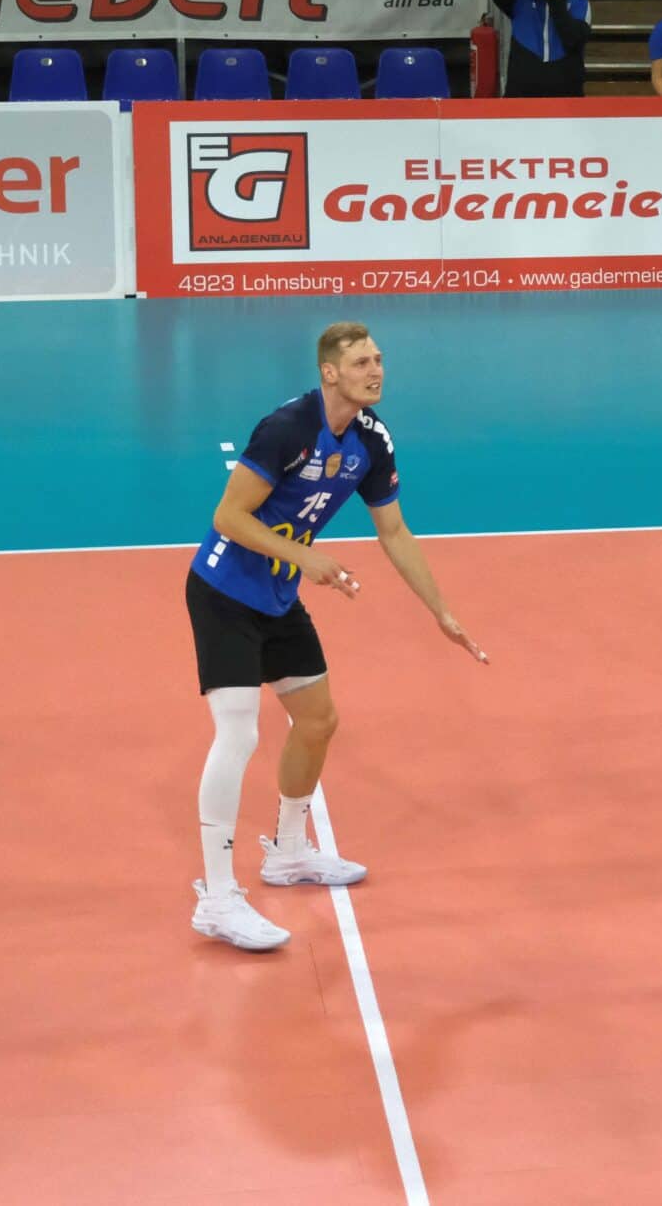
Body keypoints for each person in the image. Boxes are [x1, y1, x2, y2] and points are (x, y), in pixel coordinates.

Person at [185, 322, 488, 953]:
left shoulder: (372, 440)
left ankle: (289, 852)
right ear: (330, 372)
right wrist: (307, 559)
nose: (376, 371)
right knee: (238, 734)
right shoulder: (287, 428)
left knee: (318, 720)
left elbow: (394, 531)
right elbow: (228, 517)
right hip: (224, 591)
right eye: (361, 362)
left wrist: (441, 612)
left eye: (378, 359)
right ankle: (217, 898)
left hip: (277, 593)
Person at [487, 0, 590, 97]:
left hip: (566, 98)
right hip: (521, 98)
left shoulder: (579, 3)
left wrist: (556, 0)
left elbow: (573, 40)